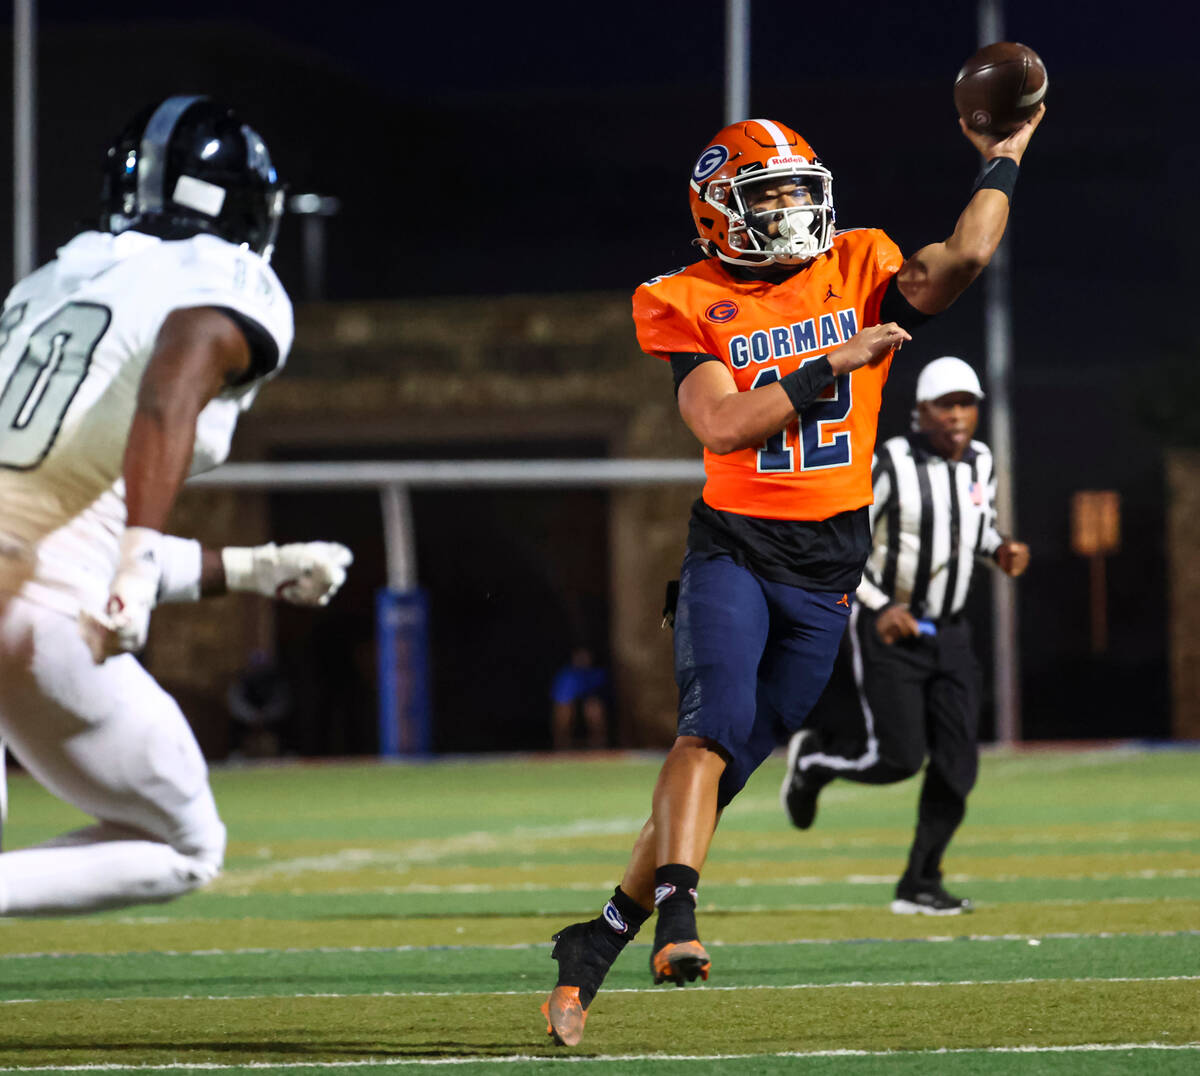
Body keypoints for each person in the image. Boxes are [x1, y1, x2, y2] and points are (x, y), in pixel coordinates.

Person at [540, 107, 1043, 1047]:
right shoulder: (682, 296)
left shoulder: (858, 263)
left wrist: (1004, 158)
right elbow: (722, 427)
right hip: (734, 544)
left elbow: (963, 260)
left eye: (794, 192)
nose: (784, 210)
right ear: (717, 211)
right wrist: (830, 363)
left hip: (829, 569)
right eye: (764, 195)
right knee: (712, 726)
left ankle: (596, 938)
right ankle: (680, 922)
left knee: (724, 774)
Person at [0, 95, 352, 916]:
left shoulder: (43, 287)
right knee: (184, 845)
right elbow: (183, 361)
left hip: (30, 579)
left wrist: (254, 569)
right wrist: (134, 551)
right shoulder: (219, 278)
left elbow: (57, 511)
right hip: (33, 615)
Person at [781, 356, 1029, 914]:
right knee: (897, 758)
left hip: (953, 635)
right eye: (947, 404)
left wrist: (1001, 550)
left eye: (967, 404)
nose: (959, 416)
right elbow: (843, 545)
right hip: (889, 627)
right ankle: (815, 762)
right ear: (921, 411)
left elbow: (978, 527)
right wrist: (879, 604)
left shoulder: (981, 462)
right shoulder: (891, 461)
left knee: (958, 766)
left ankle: (920, 882)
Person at [549, 646, 610, 750]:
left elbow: (601, 698)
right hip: (570, 705)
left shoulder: (597, 675)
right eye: (579, 656)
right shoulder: (567, 676)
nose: (583, 660)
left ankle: (598, 745)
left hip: (590, 705)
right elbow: (561, 700)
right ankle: (561, 745)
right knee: (564, 711)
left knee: (594, 708)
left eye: (586, 656)